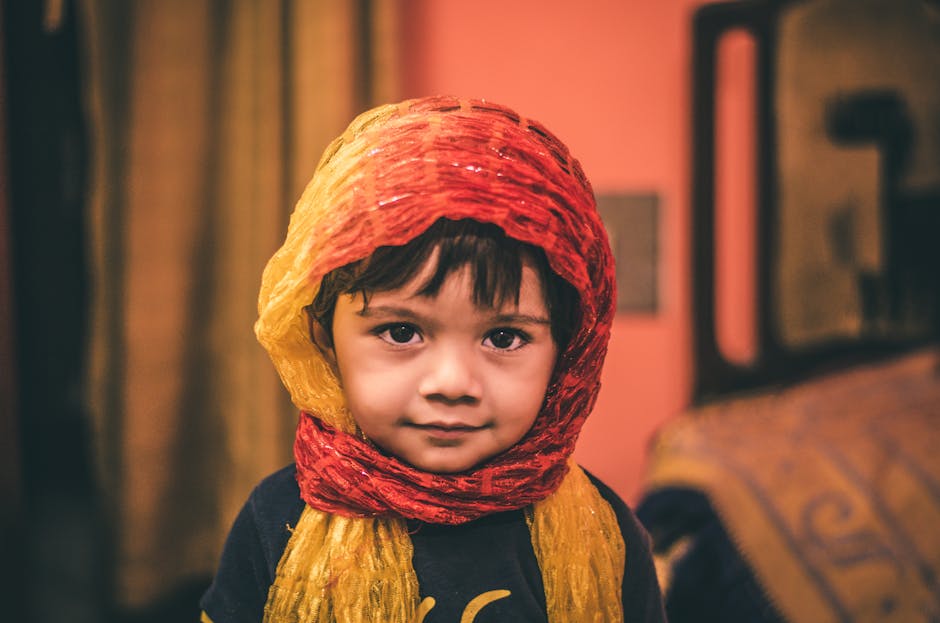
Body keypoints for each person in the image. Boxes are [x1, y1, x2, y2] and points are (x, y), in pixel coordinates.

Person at [200, 95, 666, 623]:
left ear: (569, 356)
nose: (451, 382)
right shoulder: (277, 519)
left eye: (505, 338)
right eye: (402, 331)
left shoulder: (606, 533)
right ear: (323, 336)